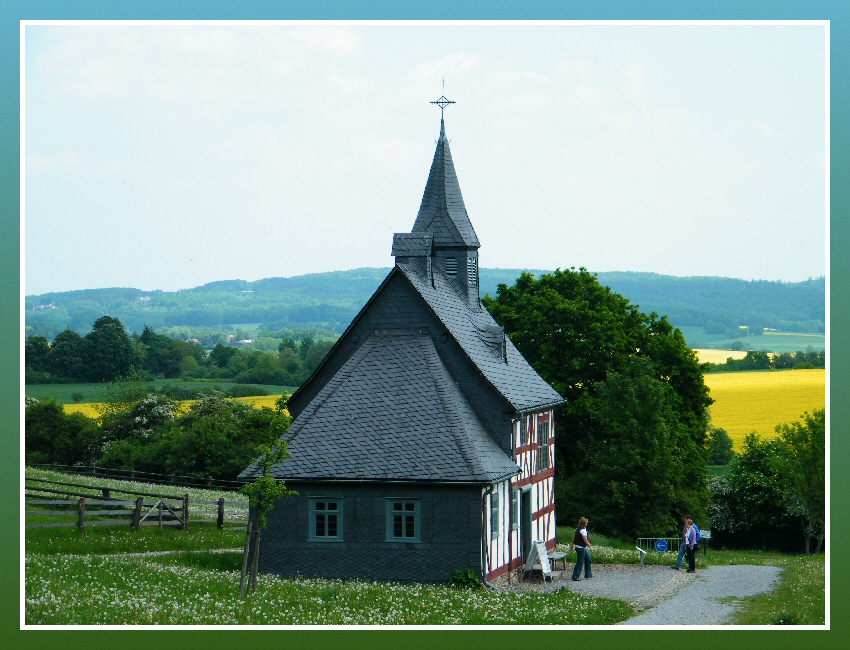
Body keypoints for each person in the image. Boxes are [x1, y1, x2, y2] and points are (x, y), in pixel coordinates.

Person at [569, 517, 593, 581]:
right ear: (585, 523)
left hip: (580, 547)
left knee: (588, 560)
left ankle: (588, 575)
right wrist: (590, 546)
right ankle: (575, 576)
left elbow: (573, 538)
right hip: (581, 548)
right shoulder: (583, 530)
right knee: (580, 562)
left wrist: (572, 545)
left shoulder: (577, 529)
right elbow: (585, 540)